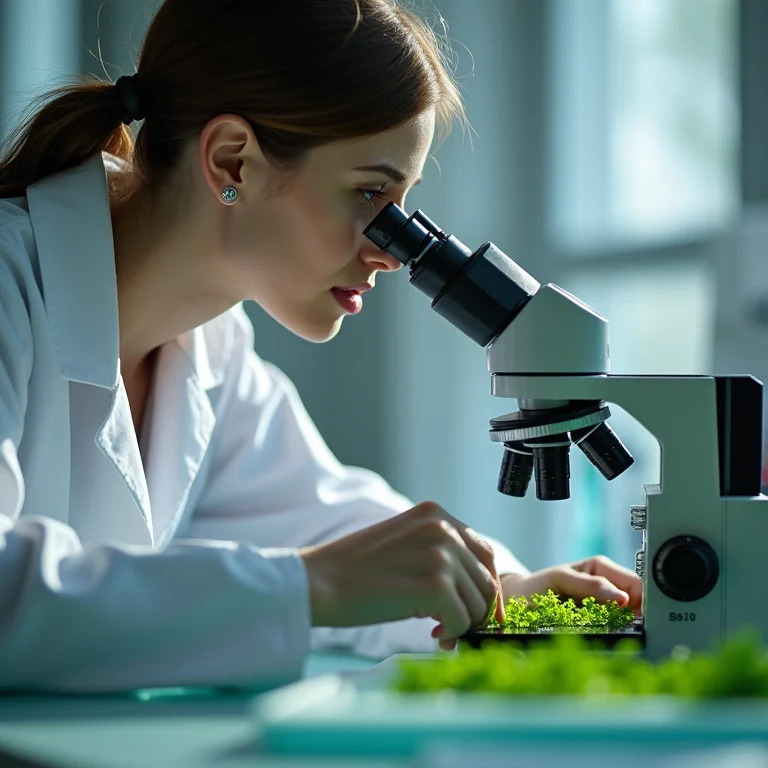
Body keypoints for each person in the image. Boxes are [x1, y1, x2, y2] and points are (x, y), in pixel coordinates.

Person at [0, 0, 641, 693]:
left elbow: (330, 523)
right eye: (369, 194)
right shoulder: (10, 282)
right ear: (232, 161)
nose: (391, 253)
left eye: (400, 207)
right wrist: (315, 586)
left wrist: (504, 594)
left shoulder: (214, 353)